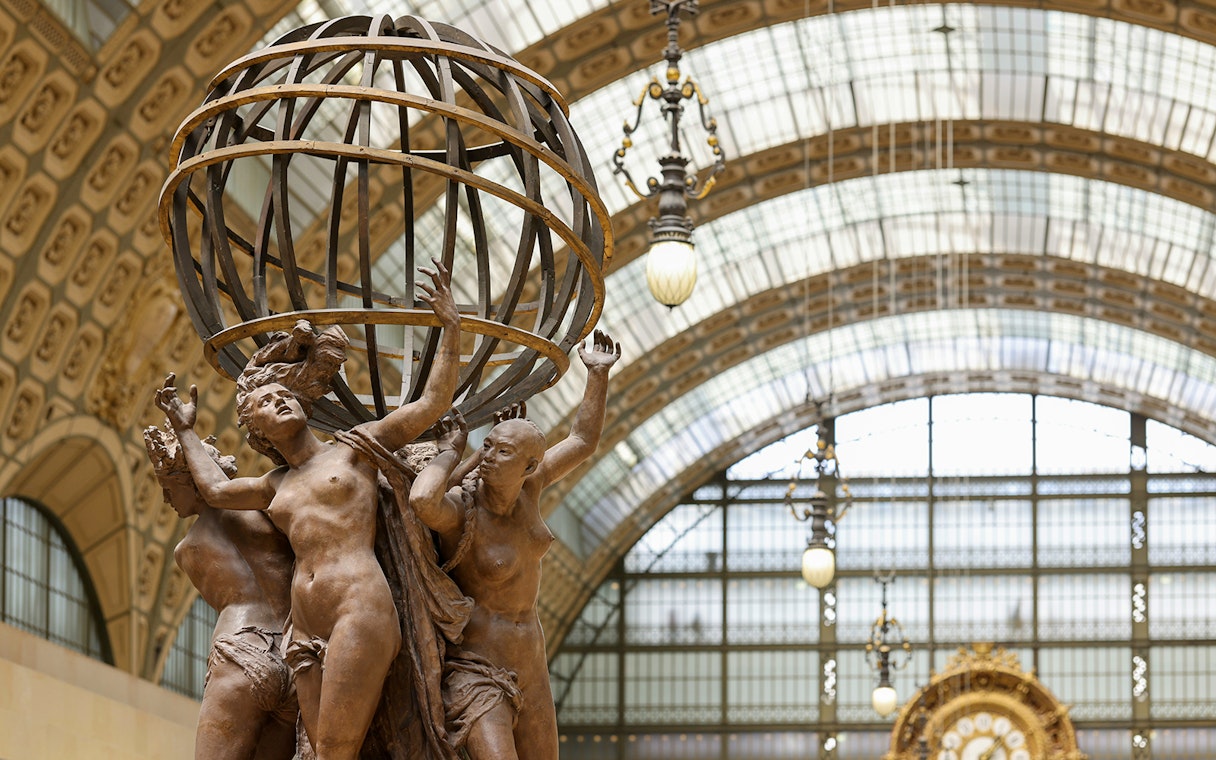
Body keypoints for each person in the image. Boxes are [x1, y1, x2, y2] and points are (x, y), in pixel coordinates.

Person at [154, 262, 463, 760]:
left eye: (283, 395)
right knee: (319, 751)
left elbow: (431, 403)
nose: (279, 401)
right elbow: (213, 490)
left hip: (357, 607)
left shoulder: (355, 448)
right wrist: (186, 431)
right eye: (266, 404)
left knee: (337, 749)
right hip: (304, 624)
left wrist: (452, 327)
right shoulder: (274, 485)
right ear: (258, 435)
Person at [410, 329, 620, 760]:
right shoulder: (461, 511)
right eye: (486, 446)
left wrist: (597, 376)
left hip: (531, 664)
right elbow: (421, 500)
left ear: (529, 465)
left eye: (502, 451)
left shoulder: (532, 488)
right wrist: (454, 454)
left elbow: (582, 441)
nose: (488, 455)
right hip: (478, 669)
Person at [144, 425, 297, 760]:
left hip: (240, 653)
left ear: (194, 480)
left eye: (170, 489)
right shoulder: (268, 513)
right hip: (293, 658)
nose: (167, 499)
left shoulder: (187, 549)